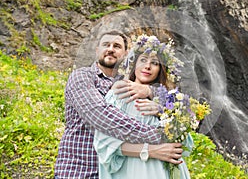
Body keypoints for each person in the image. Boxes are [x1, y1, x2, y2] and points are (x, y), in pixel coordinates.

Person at [55, 31, 183, 178]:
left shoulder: (130, 84)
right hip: (79, 171)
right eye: (106, 45)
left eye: (116, 46)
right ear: (97, 50)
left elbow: (178, 103)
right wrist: (159, 137)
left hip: (118, 172)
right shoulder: (83, 77)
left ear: (126, 54)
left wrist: (151, 91)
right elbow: (102, 118)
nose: (110, 49)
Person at [93, 34, 193, 179]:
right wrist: (150, 151)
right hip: (135, 170)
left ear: (161, 69)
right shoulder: (119, 94)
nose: (147, 66)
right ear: (134, 66)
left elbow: (184, 144)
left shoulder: (170, 101)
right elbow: (104, 141)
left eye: (155, 63)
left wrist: (163, 112)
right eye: (143, 60)